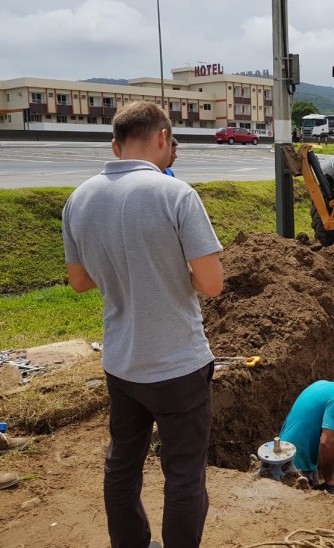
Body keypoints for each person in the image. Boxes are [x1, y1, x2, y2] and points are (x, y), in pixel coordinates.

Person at [62, 101, 224, 547]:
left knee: (122, 466)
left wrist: (124, 262)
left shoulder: (79, 199)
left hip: (121, 363)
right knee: (184, 475)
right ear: (162, 137)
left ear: (115, 145)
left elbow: (78, 282)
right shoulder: (176, 195)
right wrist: (163, 265)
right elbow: (211, 284)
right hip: (178, 365)